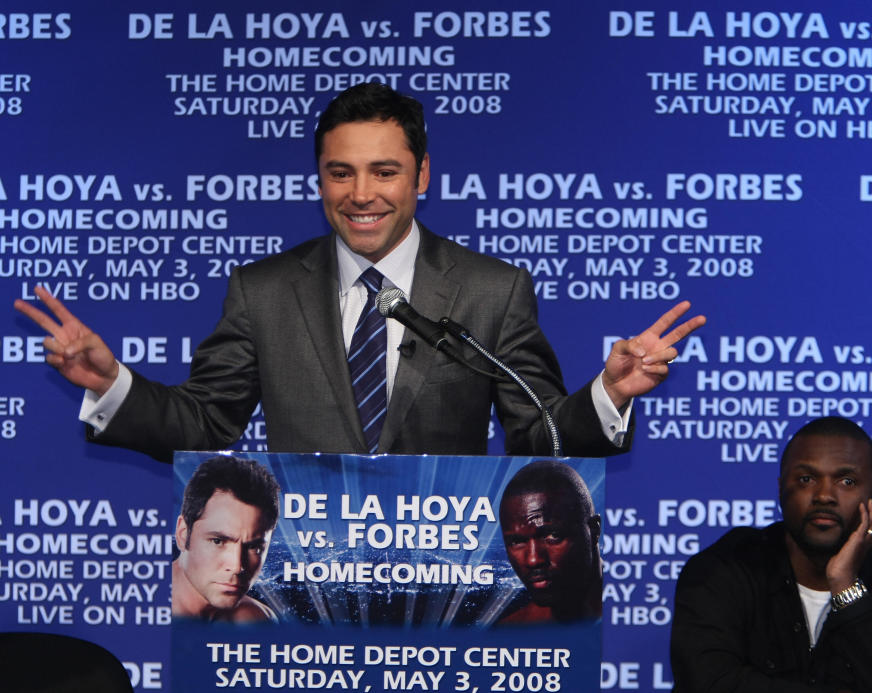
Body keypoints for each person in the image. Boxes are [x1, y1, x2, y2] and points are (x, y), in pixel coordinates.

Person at [13, 82, 705, 462]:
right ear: (319, 178)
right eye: (340, 173)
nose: (361, 194)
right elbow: (204, 422)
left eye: (385, 171)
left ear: (422, 175)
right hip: (304, 588)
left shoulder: (493, 289)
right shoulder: (263, 290)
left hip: (446, 586)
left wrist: (609, 393)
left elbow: (540, 438)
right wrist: (111, 384)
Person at [670, 416, 872, 692]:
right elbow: (707, 683)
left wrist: (846, 585)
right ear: (781, 488)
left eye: (847, 481)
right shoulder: (722, 570)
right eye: (806, 479)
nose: (824, 495)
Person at [173, 455, 281, 622]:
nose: (237, 566)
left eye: (254, 547)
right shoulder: (141, 610)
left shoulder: (257, 621)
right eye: (218, 541)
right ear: (183, 534)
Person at [498, 460, 601, 624]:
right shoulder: (510, 633)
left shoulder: (637, 612)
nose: (533, 560)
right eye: (517, 542)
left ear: (594, 531)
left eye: (553, 536)